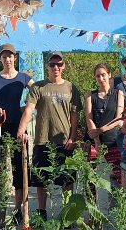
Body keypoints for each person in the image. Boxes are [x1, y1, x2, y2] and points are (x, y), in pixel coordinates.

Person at [16, 51, 81, 217]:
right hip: (42, 139)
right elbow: (29, 110)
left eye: (59, 64)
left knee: (66, 179)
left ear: (63, 66)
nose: (56, 67)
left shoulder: (71, 87)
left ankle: (67, 213)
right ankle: (42, 212)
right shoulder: (38, 87)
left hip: (64, 140)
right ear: (47, 66)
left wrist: (73, 136)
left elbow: (75, 115)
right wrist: (21, 130)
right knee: (41, 179)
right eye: (52, 64)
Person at [0, 43, 33, 218]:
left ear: (15, 58)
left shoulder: (23, 78)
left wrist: (26, 109)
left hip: (17, 129)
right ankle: (0, 207)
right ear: (0, 59)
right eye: (4, 56)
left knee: (19, 168)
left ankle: (17, 209)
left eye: (10, 56)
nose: (7, 59)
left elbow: (37, 93)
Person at [84, 63, 125, 168]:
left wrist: (101, 129)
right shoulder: (90, 95)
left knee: (117, 176)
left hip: (113, 141)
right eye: (98, 76)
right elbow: (89, 118)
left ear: (109, 75)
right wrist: (96, 140)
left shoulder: (118, 93)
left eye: (103, 75)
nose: (101, 78)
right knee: (90, 178)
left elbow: (119, 118)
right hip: (93, 142)